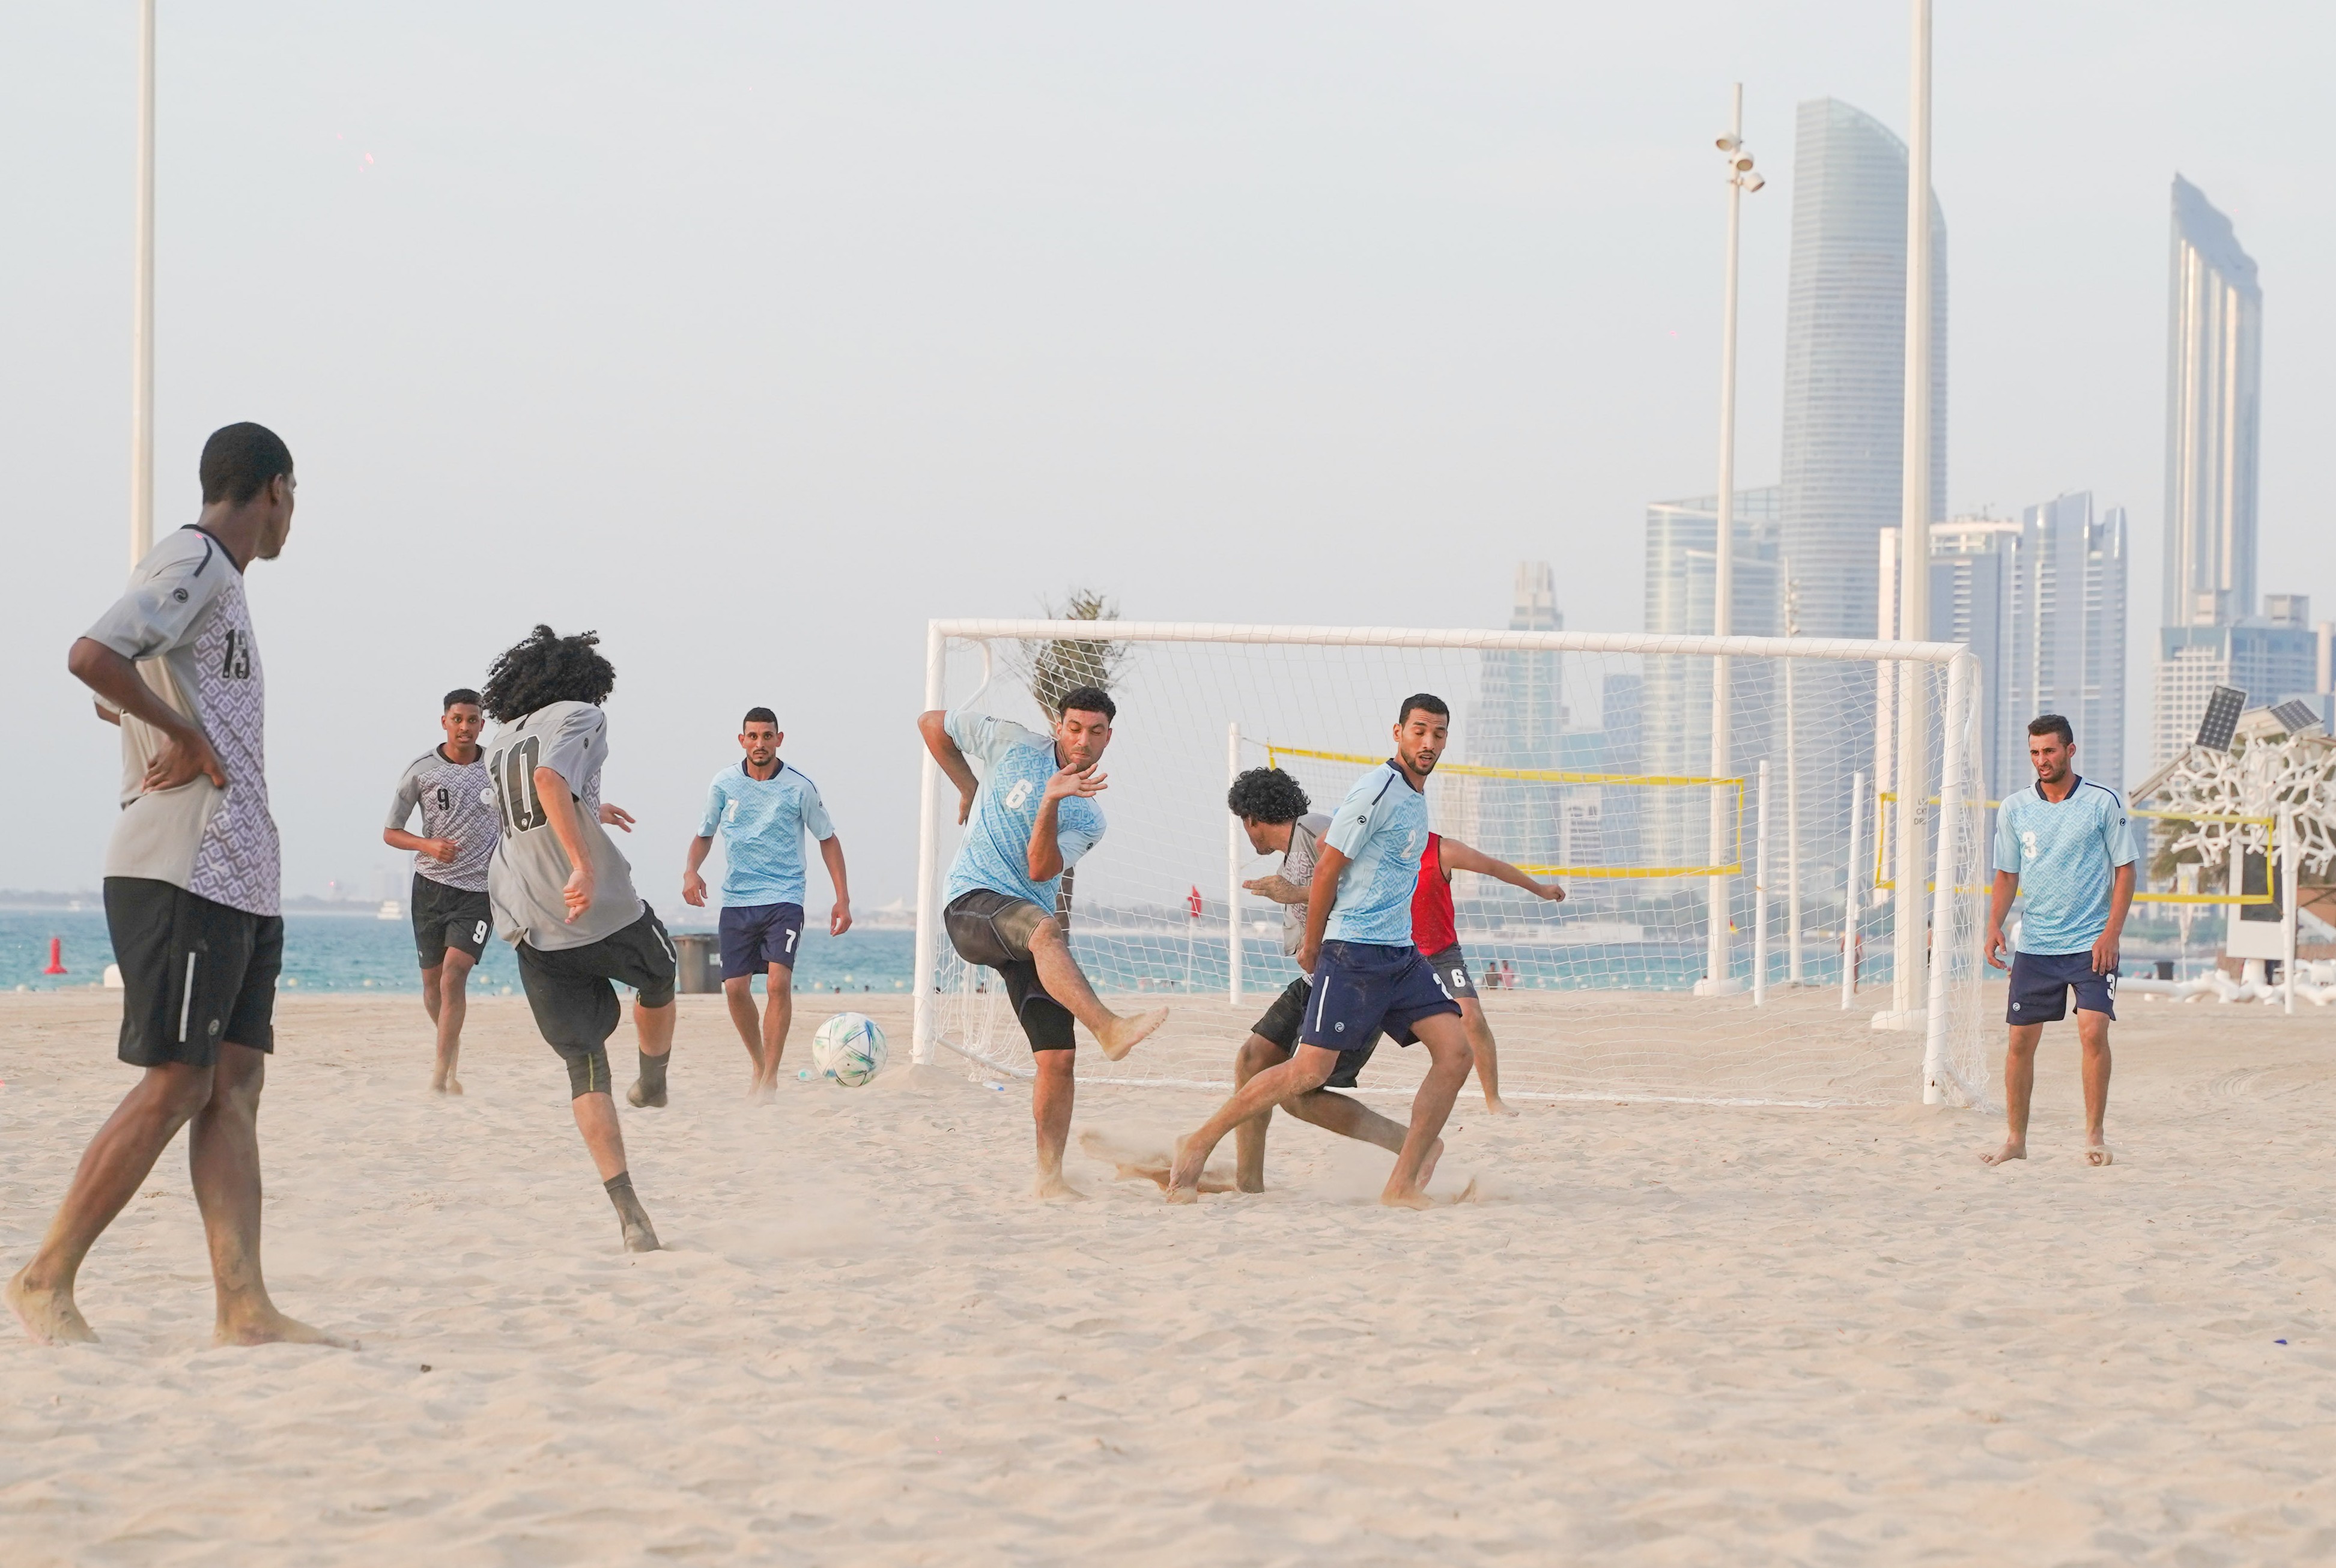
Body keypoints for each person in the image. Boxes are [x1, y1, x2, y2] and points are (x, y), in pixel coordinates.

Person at [9, 423, 347, 1348]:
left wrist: (162, 716)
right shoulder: (197, 558)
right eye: (293, 498)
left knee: (234, 1085)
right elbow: (90, 655)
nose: (291, 516)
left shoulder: (216, 583)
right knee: (176, 1083)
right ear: (276, 489)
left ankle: (244, 1307)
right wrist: (186, 739)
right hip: (183, 865)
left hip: (241, 872)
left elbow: (110, 684)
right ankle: (44, 1276)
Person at [1167, 695, 1475, 1208]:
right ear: (1397, 731)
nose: (1428, 743)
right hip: (1351, 952)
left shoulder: (1411, 795)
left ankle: (1401, 1181)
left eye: (1438, 734)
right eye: (1419, 731)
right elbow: (1330, 868)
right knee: (1302, 1075)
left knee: (1457, 1053)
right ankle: (1200, 1142)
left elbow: (1340, 870)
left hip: (1397, 953)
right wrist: (1312, 943)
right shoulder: (1376, 789)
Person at [918, 685, 1166, 1198]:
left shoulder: (1089, 819)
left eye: (1095, 732)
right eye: (1075, 728)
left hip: (1025, 931)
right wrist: (968, 786)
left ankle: (1049, 1178)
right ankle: (1110, 1027)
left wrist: (1054, 802)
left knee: (1057, 1056)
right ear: (1059, 726)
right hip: (971, 904)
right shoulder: (1010, 743)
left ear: (1108, 738)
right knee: (1045, 927)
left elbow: (1038, 867)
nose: (1083, 740)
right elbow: (930, 723)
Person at [480, 626, 670, 1250]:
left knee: (584, 1066)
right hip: (593, 905)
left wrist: (594, 808)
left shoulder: (501, 737)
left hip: (528, 914)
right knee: (660, 974)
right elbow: (547, 785)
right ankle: (654, 1078)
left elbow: (526, 803)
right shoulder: (583, 714)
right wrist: (583, 860)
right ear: (586, 680)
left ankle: (629, 1213)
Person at [1221, 765, 1409, 1193]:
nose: (1246, 834)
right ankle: (1248, 1182)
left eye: (1243, 824)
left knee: (1298, 1096)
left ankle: (1412, 1145)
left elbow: (1365, 884)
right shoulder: (1295, 850)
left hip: (1352, 980)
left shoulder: (1314, 827)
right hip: (1314, 980)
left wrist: (1293, 893)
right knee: (1252, 1060)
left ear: (1252, 819)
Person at [1980, 713, 2137, 1169]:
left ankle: (2094, 1134)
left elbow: (2125, 869)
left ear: (2069, 750)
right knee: (2019, 1043)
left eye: (2048, 750)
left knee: (2092, 1031)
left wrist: (2111, 933)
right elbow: (2007, 873)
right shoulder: (2014, 808)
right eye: (2033, 752)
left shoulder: (2101, 802)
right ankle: (2015, 1139)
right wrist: (1994, 922)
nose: (2041, 760)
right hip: (2036, 944)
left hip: (2091, 943)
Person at [681, 706, 851, 1097]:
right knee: (735, 989)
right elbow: (704, 832)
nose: (760, 743)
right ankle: (758, 1062)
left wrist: (842, 898)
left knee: (778, 983)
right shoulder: (723, 784)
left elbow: (827, 838)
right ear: (742, 740)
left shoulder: (799, 787)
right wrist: (691, 870)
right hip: (737, 899)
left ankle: (770, 1076)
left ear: (779, 738)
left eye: (767, 735)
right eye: (753, 736)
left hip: (785, 898)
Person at [383, 689, 499, 1094]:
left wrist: (593, 808)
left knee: (454, 977)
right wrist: (427, 845)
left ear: (482, 724)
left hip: (479, 892)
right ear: (444, 721)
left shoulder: (497, 766)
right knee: (432, 984)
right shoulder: (421, 770)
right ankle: (451, 1049)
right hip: (430, 889)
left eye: (472, 720)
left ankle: (439, 1071)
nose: (464, 727)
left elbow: (542, 799)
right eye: (457, 719)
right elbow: (390, 832)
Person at [1410, 831, 1564, 1115]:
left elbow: (1494, 868)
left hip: (1441, 953)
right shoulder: (1376, 845)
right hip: (1395, 951)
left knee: (1471, 1016)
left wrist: (1540, 890)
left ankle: (1493, 1100)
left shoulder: (1442, 850)